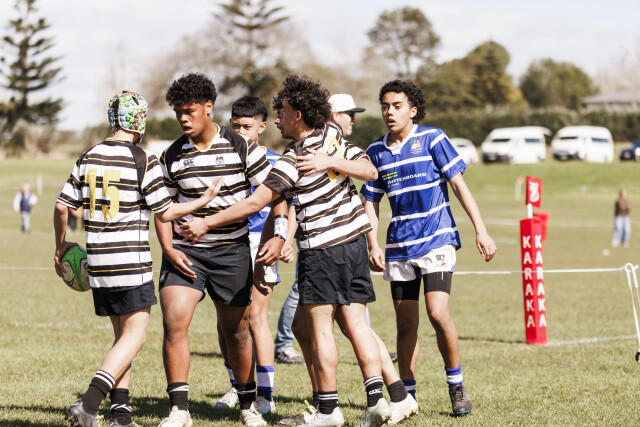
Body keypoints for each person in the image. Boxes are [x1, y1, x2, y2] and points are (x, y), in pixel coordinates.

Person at [179, 74, 395, 427]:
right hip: (355, 241)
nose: (277, 117)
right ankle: (377, 402)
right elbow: (369, 170)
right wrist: (332, 162)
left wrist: (206, 222)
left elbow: (256, 203)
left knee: (321, 329)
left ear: (298, 114)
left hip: (323, 249)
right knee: (357, 324)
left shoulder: (292, 159)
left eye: (282, 111)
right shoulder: (332, 134)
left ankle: (328, 411)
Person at [53, 90, 220, 427]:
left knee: (122, 339)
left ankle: (121, 414)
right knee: (136, 337)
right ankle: (89, 404)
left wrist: (60, 247)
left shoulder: (88, 156)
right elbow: (166, 211)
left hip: (97, 263)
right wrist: (203, 201)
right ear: (139, 121)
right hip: (130, 263)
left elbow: (61, 206)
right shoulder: (143, 159)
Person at [155, 73, 286, 427]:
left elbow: (275, 193)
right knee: (174, 321)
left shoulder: (241, 146)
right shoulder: (171, 155)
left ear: (208, 107)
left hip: (232, 252)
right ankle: (179, 410)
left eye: (189, 111)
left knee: (237, 331)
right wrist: (168, 248)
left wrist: (279, 235)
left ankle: (248, 406)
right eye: (178, 112)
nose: (183, 119)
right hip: (187, 253)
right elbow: (162, 209)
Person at [360, 80, 497, 416]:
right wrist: (372, 243)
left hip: (437, 239)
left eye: (397, 106)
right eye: (385, 106)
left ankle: (456, 385)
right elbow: (370, 203)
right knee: (406, 325)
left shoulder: (433, 139)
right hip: (399, 247)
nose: (390, 112)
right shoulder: (376, 151)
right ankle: (407, 397)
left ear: (413, 110)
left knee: (437, 313)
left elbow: (459, 186)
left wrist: (481, 230)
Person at [214, 96, 290, 414]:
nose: (241, 133)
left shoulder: (275, 161)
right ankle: (238, 386)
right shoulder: (220, 159)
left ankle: (266, 395)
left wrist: (284, 238)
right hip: (227, 244)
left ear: (262, 126)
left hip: (261, 242)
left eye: (247, 126)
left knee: (256, 317)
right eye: (236, 126)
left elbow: (287, 205)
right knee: (227, 322)